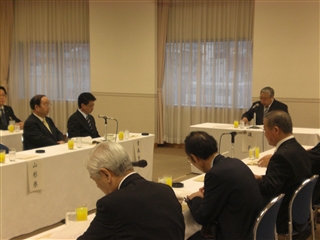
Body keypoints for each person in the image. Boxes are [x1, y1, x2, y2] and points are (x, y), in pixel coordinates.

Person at [77, 141, 185, 240]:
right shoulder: (165, 190)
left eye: (95, 180)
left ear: (106, 174)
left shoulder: (111, 204)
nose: (97, 186)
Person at [184, 131, 264, 240]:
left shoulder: (215, 174)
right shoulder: (235, 162)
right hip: (253, 230)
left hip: (236, 233)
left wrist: (195, 198)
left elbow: (202, 217)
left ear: (195, 158)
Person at [254, 110, 312, 236]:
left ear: (276, 130)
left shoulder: (281, 156)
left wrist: (251, 180)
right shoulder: (299, 149)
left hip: (281, 216)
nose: (264, 134)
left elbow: (269, 189)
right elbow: (285, 179)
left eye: (265, 130)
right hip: (299, 213)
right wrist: (262, 178)